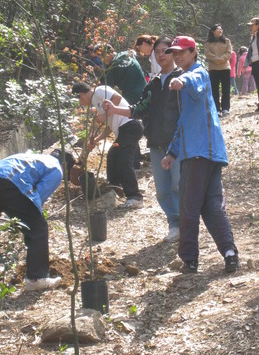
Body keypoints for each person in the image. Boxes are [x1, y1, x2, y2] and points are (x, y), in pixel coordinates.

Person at [161, 36, 239, 274]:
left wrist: (181, 80)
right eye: (174, 53)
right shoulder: (188, 80)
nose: (177, 57)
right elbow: (185, 122)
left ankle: (189, 259)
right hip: (206, 153)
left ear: (193, 52)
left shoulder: (198, 74)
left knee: (189, 205)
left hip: (199, 153)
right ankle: (230, 253)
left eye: (181, 52)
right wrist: (172, 152)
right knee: (212, 206)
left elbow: (194, 80)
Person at [103, 36, 181, 243]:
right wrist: (114, 109)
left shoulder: (184, 78)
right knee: (163, 191)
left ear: (174, 53)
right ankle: (174, 224)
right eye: (157, 52)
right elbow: (138, 108)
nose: (161, 55)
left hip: (179, 143)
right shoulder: (154, 84)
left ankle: (187, 224)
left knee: (179, 185)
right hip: (156, 143)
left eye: (165, 51)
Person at [0, 149, 75, 290]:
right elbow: (37, 198)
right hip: (9, 182)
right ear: (65, 164)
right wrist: (27, 219)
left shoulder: (32, 157)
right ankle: (36, 278)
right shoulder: (56, 168)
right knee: (38, 228)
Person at [72, 82, 143, 208]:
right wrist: (96, 140)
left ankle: (135, 197)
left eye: (79, 100)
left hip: (130, 126)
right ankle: (114, 188)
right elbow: (109, 128)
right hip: (122, 132)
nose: (81, 103)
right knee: (112, 156)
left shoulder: (99, 90)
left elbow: (117, 98)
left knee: (124, 162)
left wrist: (104, 116)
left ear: (81, 95)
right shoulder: (97, 103)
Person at [94, 43, 146, 168]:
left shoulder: (113, 68)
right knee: (142, 122)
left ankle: (135, 159)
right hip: (145, 90)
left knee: (128, 125)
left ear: (107, 54)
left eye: (101, 57)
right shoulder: (126, 53)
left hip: (132, 95)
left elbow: (105, 87)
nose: (102, 60)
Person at [204, 24, 232, 116]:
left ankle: (225, 108)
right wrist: (217, 59)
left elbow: (229, 52)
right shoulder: (208, 42)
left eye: (221, 29)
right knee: (214, 89)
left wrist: (222, 59)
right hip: (213, 69)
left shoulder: (226, 41)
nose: (220, 30)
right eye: (218, 29)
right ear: (213, 31)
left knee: (226, 89)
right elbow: (207, 54)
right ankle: (216, 109)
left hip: (225, 68)